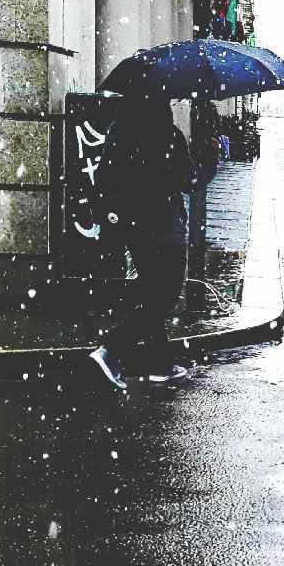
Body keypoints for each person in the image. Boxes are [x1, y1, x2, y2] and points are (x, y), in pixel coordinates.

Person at [88, 99, 202, 389]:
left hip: (134, 227)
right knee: (165, 296)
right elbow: (189, 179)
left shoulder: (120, 130)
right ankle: (110, 349)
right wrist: (207, 154)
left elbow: (103, 178)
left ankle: (159, 365)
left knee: (151, 294)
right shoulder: (167, 134)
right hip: (164, 226)